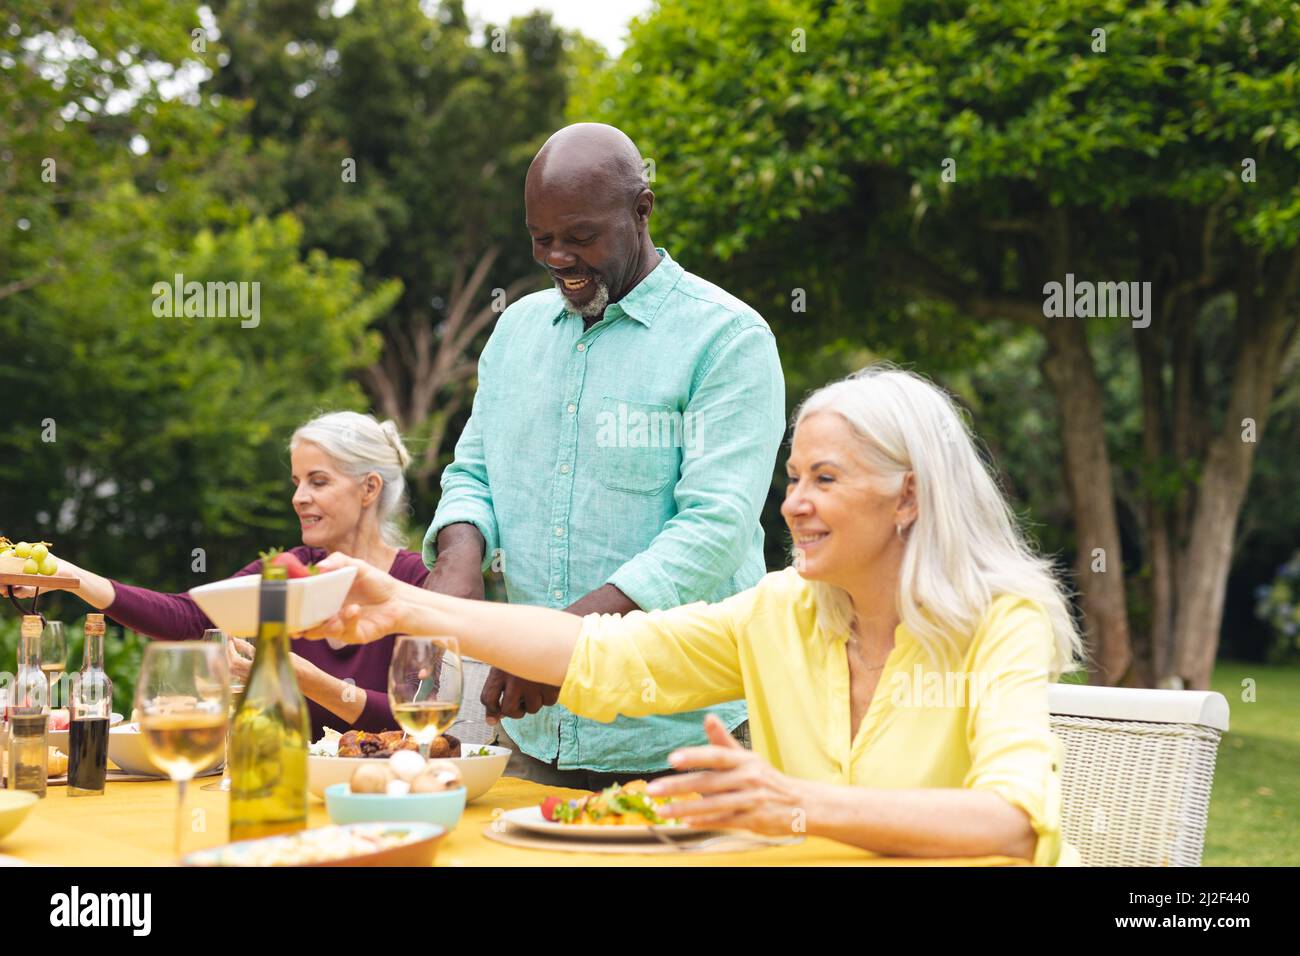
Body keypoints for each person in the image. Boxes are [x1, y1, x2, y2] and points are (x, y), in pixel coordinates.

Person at [307, 366, 1082, 864]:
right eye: (793, 476)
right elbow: (601, 655)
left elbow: (1011, 821)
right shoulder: (781, 611)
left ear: (908, 495)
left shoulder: (997, 619)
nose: (794, 504)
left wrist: (791, 803)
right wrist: (408, 603)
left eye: (825, 478)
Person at [421, 122, 785, 787]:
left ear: (641, 212)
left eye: (581, 237)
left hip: (689, 739)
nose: (559, 257)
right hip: (537, 741)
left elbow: (712, 531)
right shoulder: (516, 332)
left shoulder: (728, 339)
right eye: (542, 239)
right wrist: (457, 559)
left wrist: (564, 649)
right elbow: (474, 472)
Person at [40, 411, 426, 740]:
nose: (298, 497)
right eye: (296, 483)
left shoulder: (417, 581)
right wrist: (69, 575)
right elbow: (189, 617)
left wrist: (306, 678)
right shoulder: (287, 570)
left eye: (318, 481)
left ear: (369, 488)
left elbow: (418, 717)